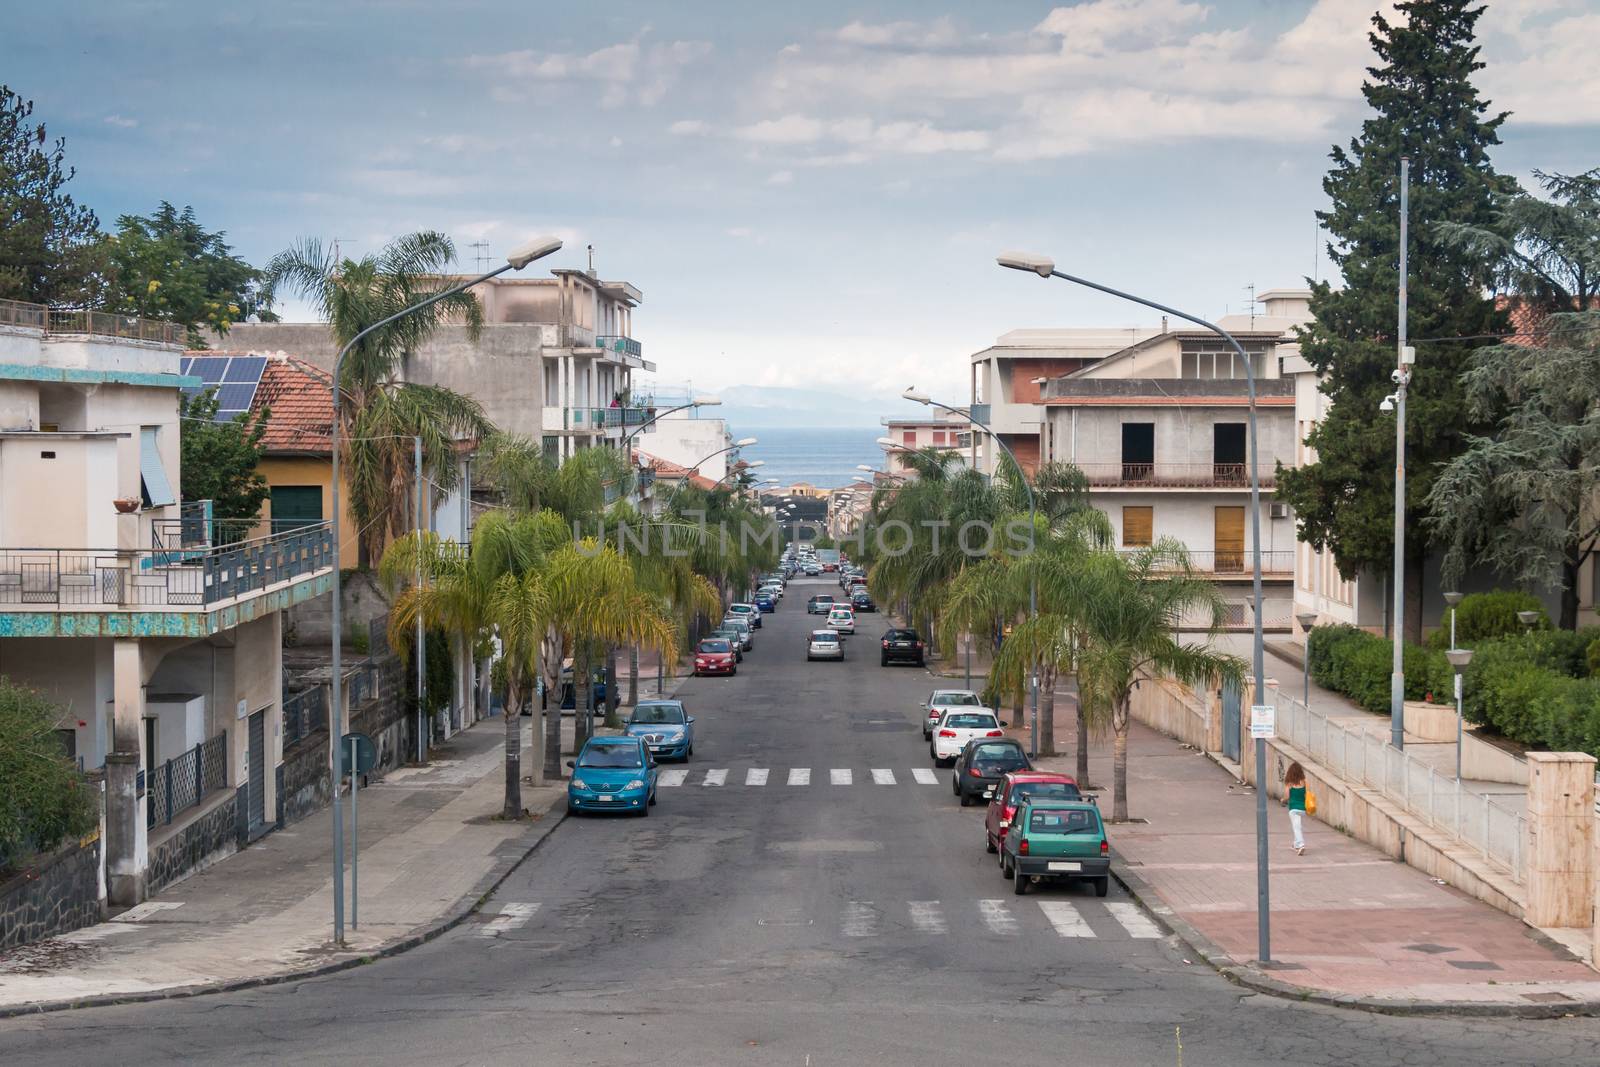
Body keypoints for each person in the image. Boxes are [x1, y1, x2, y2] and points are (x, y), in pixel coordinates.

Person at [1284, 761, 1308, 855]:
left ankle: (1301, 845)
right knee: (1297, 825)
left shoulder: (1289, 784)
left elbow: (1286, 797)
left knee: (1296, 827)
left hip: (1293, 809)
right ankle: (1295, 844)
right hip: (1303, 809)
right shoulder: (1304, 782)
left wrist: (1282, 800)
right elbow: (1307, 794)